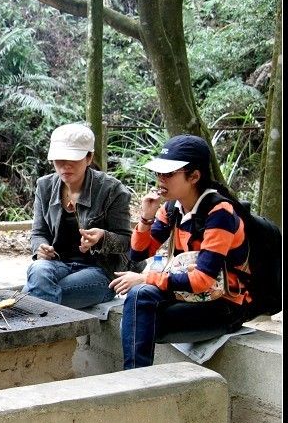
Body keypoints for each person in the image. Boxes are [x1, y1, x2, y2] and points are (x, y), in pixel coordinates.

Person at [109, 135, 251, 369]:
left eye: (168, 174)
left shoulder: (220, 214)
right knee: (138, 305)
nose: (160, 179)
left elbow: (202, 280)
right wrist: (146, 217)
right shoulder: (171, 208)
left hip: (224, 304)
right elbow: (137, 254)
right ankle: (135, 379)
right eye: (158, 173)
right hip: (188, 294)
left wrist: (146, 278)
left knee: (138, 320)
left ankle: (135, 379)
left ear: (194, 176)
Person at [23, 123, 131, 309]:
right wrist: (40, 249)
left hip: (101, 271)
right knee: (37, 269)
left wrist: (102, 238)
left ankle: (40, 318)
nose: (65, 165)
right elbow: (39, 232)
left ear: (89, 157)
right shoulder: (45, 186)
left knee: (31, 296)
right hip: (58, 264)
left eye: (73, 158)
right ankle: (53, 325)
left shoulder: (112, 190)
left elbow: (127, 241)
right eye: (59, 159)